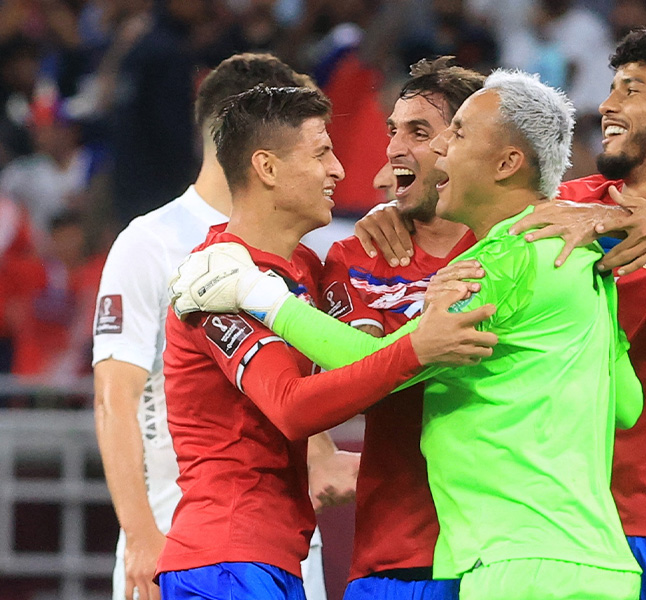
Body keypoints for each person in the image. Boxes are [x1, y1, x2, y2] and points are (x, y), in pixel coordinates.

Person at [170, 69, 644, 600]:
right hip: (597, 561)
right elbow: (627, 404)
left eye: (451, 133)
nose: (437, 151)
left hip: (510, 560)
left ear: (507, 161)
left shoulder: (495, 264)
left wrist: (262, 297)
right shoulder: (581, 261)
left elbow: (366, 361)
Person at [353, 24, 646, 600]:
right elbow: (480, 192)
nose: (607, 104)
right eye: (612, 88)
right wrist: (400, 209)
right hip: (563, 523)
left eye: (632, 89)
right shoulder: (567, 205)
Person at [158, 84, 496, 600]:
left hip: (272, 555)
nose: (340, 170)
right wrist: (421, 347)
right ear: (267, 169)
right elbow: (292, 407)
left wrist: (396, 214)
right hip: (225, 554)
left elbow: (354, 358)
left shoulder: (307, 270)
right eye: (322, 154)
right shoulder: (218, 279)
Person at [92, 53, 351, 600]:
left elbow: (295, 382)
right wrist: (140, 534)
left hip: (283, 538)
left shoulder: (299, 249)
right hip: (181, 533)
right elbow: (115, 398)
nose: (333, 166)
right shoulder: (151, 241)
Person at [319, 57, 483, 600]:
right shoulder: (356, 254)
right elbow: (356, 379)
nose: (392, 148)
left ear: (467, 145)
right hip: (395, 554)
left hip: (500, 554)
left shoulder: (520, 250)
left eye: (419, 131)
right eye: (394, 130)